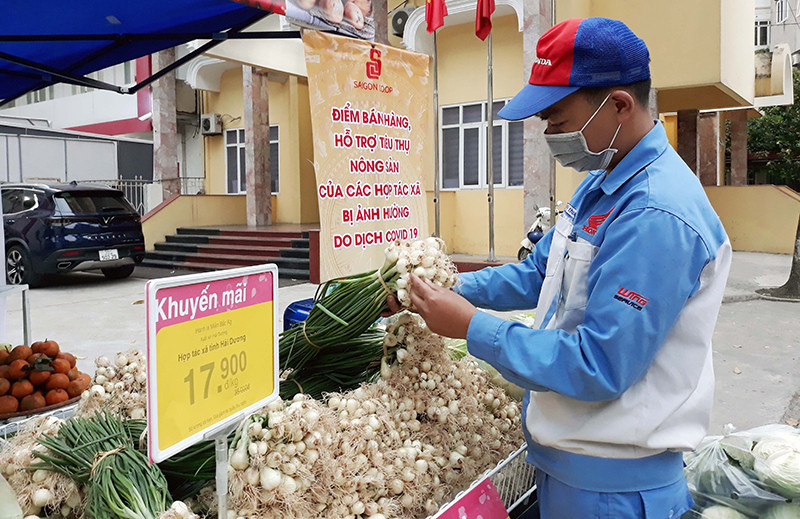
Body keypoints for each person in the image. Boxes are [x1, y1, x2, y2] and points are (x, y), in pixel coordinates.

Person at [392, 17, 732, 518]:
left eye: (557, 118)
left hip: (613, 491)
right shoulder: (606, 180)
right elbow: (537, 275)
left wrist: (471, 327)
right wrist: (443, 286)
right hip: (570, 473)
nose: (548, 133)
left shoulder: (656, 213)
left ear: (618, 104)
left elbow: (599, 363)